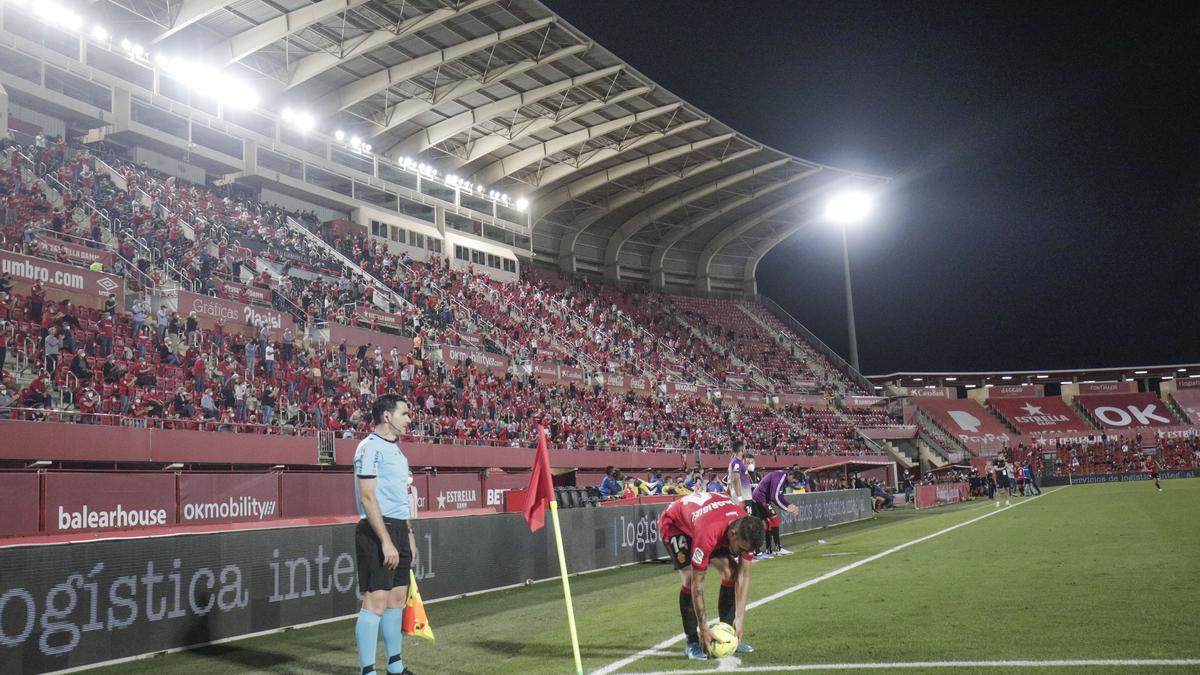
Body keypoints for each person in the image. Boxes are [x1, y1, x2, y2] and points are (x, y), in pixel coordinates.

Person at [658, 491, 765, 660]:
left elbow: (744, 575)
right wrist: (704, 627)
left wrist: (740, 619)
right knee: (688, 578)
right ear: (733, 534)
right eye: (741, 549)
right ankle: (692, 641)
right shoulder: (709, 533)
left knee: (731, 572)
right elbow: (697, 584)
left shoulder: (746, 526)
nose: (742, 553)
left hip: (705, 520)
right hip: (675, 525)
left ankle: (728, 634)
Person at [353, 395, 417, 675]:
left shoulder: (399, 452)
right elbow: (367, 498)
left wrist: (409, 535)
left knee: (397, 600)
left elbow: (400, 498)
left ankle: (395, 666)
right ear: (387, 417)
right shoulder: (368, 449)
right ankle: (368, 671)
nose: (409, 418)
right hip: (377, 530)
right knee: (375, 601)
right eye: (404, 413)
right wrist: (386, 540)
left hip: (400, 528)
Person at [750, 468, 804, 558]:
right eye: (794, 481)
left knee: (769, 523)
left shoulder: (785, 478)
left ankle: (769, 550)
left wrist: (789, 505)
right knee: (775, 520)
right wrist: (786, 508)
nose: (793, 484)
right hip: (760, 499)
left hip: (762, 499)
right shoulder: (780, 478)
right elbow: (774, 497)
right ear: (791, 476)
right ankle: (777, 549)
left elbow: (780, 496)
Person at [726, 441, 752, 505]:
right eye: (745, 448)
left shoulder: (738, 462)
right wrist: (739, 497)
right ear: (741, 450)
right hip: (742, 497)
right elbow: (736, 480)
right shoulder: (736, 463)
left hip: (745, 495)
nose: (746, 450)